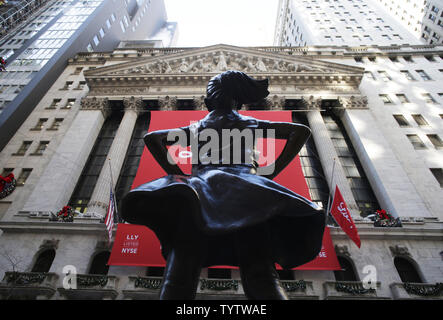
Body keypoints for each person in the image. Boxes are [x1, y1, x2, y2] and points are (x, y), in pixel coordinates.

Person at [120, 70, 325, 300]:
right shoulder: (248, 122)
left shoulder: (197, 128)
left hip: (198, 195)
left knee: (179, 276)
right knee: (261, 275)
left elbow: (153, 139)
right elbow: (300, 132)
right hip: (246, 195)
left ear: (209, 100)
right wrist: (269, 174)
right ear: (237, 100)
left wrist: (178, 176)